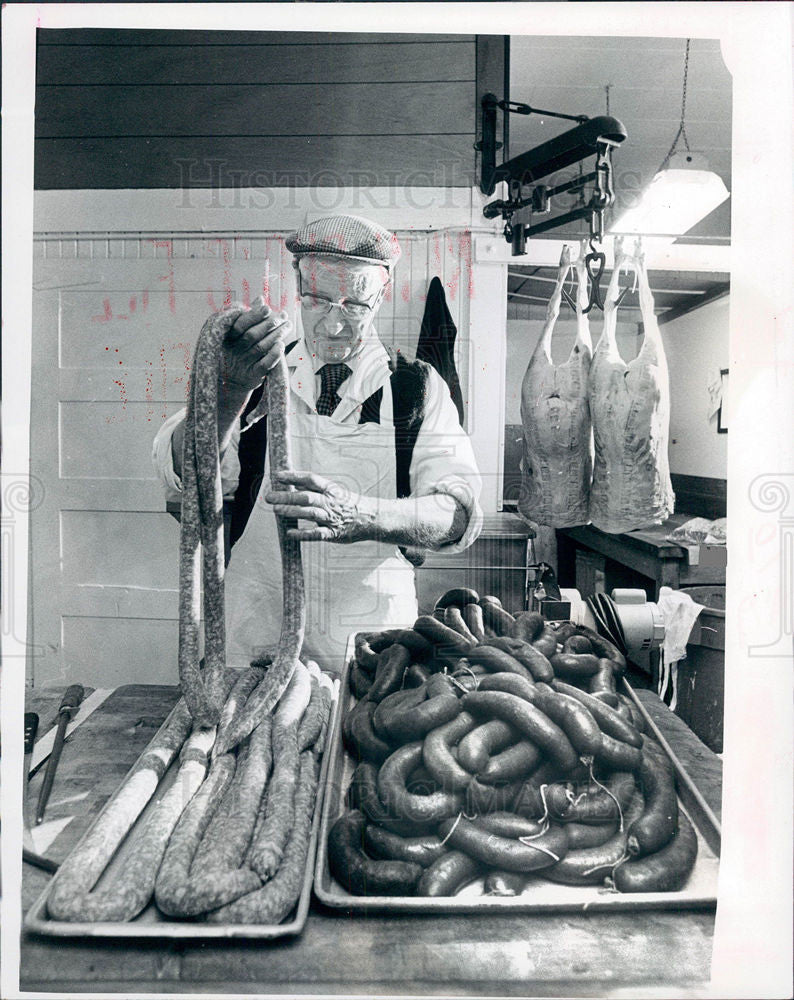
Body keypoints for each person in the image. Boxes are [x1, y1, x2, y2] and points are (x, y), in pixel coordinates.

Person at [153, 214, 482, 672]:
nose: (333, 325)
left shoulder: (418, 389)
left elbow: (459, 514)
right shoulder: (254, 370)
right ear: (298, 286)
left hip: (373, 646)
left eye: (354, 304)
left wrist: (364, 516)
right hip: (253, 633)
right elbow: (185, 474)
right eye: (319, 300)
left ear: (382, 295)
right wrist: (228, 393)